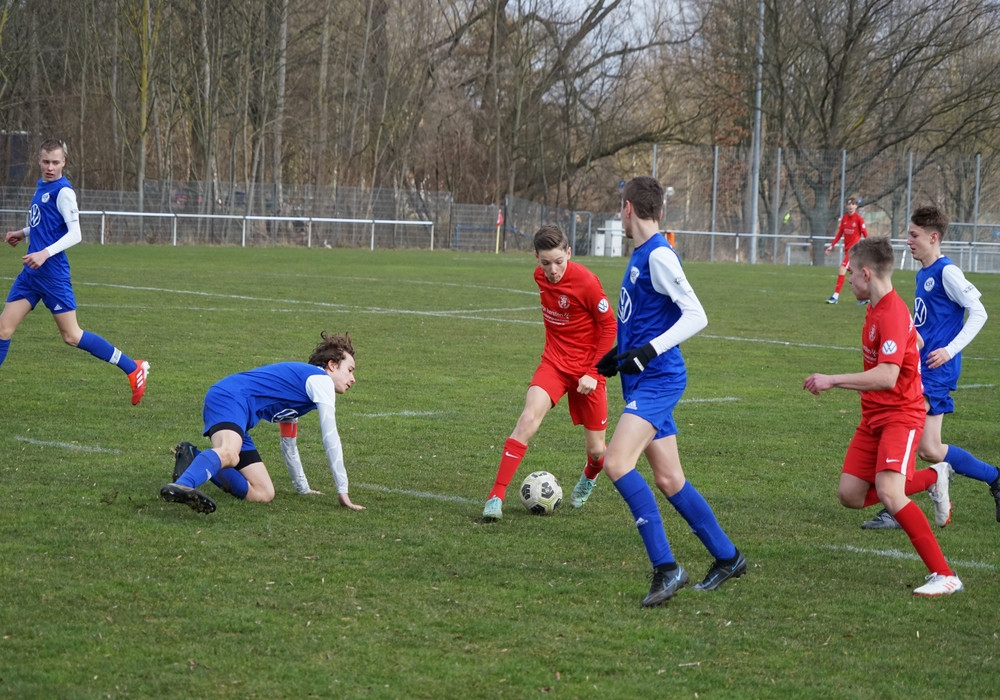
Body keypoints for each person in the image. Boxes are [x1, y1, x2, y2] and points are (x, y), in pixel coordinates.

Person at [596, 176, 746, 607]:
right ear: (658, 210)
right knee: (668, 478)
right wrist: (618, 355)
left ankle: (667, 568)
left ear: (628, 208)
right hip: (643, 377)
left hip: (660, 379)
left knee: (616, 462)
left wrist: (647, 352)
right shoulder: (642, 253)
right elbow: (646, 318)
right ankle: (728, 557)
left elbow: (696, 315)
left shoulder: (658, 254)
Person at [804, 236, 962, 596]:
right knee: (850, 495)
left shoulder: (890, 312)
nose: (848, 281)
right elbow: (916, 342)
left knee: (890, 493)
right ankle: (933, 476)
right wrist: (910, 346)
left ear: (866, 273)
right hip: (873, 416)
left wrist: (832, 380)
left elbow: (888, 376)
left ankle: (945, 575)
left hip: (900, 416)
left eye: (851, 274)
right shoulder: (879, 307)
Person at [861, 206, 1000, 529]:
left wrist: (949, 350)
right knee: (930, 449)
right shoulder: (922, 274)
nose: (908, 241)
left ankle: (894, 505)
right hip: (922, 367)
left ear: (933, 237)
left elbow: (979, 312)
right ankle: (994, 477)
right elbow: (926, 322)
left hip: (937, 370)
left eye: (914, 235)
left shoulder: (946, 272)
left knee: (901, 426)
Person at [482, 225, 616, 521]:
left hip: (588, 371)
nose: (552, 270)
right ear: (536, 258)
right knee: (527, 419)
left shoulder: (587, 282)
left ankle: (589, 477)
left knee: (597, 451)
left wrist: (594, 372)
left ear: (569, 253)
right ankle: (495, 497)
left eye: (559, 262)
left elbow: (609, 325)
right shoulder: (539, 276)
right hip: (554, 364)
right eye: (545, 263)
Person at [1, 139, 148, 404]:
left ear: (64, 163)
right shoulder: (42, 185)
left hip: (53, 275)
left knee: (72, 336)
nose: (50, 167)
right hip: (32, 273)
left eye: (55, 162)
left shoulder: (64, 191)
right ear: (39, 160)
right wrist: (23, 233)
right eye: (46, 162)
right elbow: (46, 224)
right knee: (3, 329)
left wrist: (44, 253)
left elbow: (76, 234)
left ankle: (133, 368)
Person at [161, 331, 363, 514]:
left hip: (238, 412)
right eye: (350, 370)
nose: (353, 378)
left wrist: (303, 488)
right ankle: (183, 485)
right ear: (332, 365)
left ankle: (192, 457)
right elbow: (330, 437)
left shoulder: (302, 389)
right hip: (231, 397)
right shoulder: (322, 381)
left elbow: (288, 444)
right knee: (229, 453)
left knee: (263, 493)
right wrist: (342, 491)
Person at [824, 197, 868, 304]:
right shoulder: (844, 218)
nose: (850, 206)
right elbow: (840, 234)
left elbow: (865, 234)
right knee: (856, 274)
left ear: (856, 206)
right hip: (847, 250)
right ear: (846, 206)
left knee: (842, 268)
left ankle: (835, 297)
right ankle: (867, 296)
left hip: (854, 250)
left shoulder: (859, 219)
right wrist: (831, 245)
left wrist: (869, 247)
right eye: (849, 204)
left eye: (853, 204)